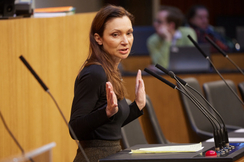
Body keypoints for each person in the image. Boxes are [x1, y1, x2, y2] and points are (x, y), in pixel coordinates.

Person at [69, 5, 146, 162]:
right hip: (95, 157)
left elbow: (109, 127)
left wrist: (137, 105)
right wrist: (106, 112)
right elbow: (74, 129)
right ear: (98, 38)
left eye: (129, 33)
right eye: (115, 34)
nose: (125, 41)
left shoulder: (111, 70)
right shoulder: (95, 73)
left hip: (112, 154)